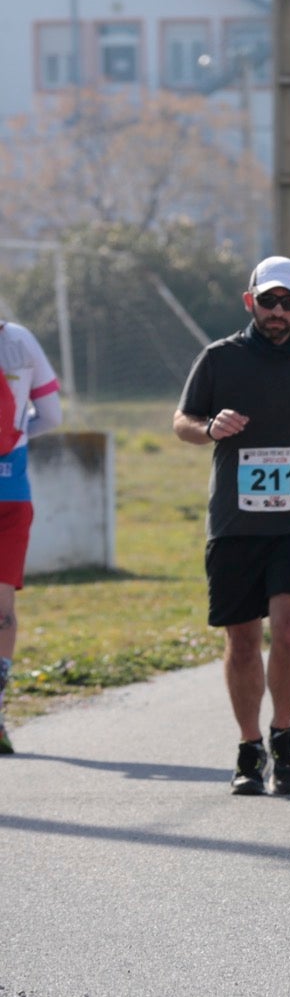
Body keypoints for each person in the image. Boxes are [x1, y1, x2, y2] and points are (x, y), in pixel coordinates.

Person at [173, 256, 290, 795]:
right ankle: (250, 745)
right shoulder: (219, 357)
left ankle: (283, 733)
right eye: (268, 301)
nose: (277, 311)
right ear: (249, 301)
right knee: (244, 638)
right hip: (235, 523)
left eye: (287, 302)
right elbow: (182, 421)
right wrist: (210, 426)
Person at [0, 318, 64, 755]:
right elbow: (53, 416)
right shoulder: (19, 339)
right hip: (11, 490)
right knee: (2, 609)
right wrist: (18, 434)